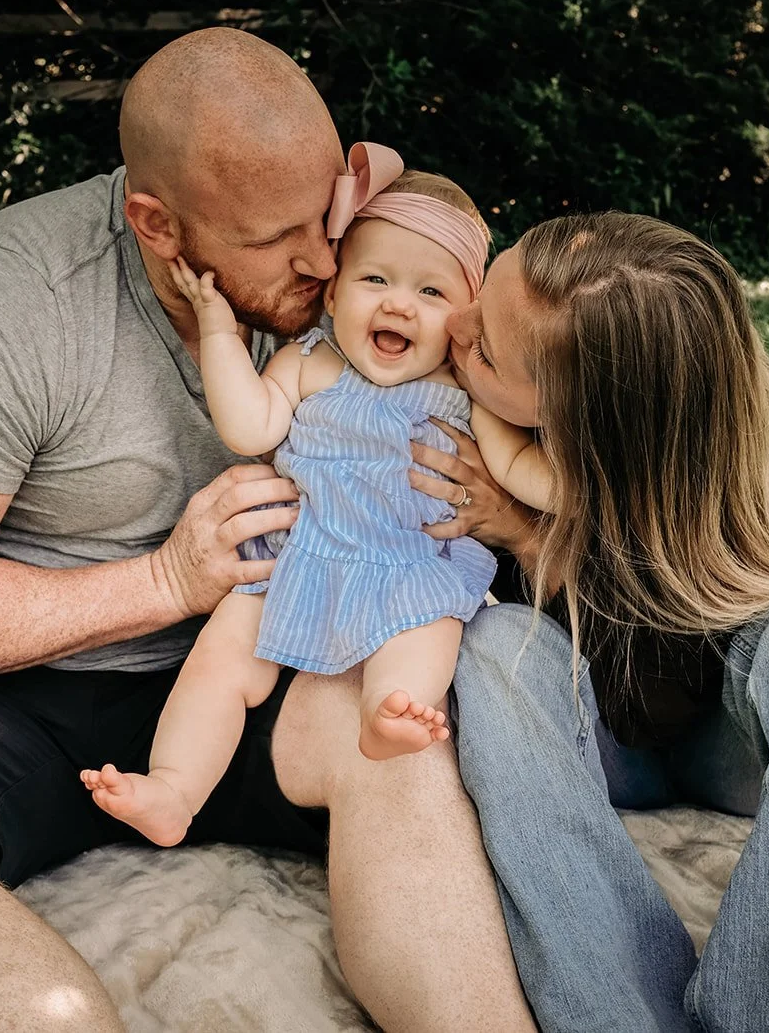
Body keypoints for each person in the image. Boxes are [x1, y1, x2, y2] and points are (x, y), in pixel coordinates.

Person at [0, 28, 535, 1033]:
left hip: (289, 641)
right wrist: (167, 582)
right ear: (158, 226)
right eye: (272, 238)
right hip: (24, 691)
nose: (322, 260)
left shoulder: (361, 250)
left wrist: (503, 510)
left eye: (327, 216)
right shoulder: (6, 301)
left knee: (401, 745)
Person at [418, 211, 769, 1032]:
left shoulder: (752, 460)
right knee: (491, 647)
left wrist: (529, 536)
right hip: (591, 734)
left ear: (587, 420)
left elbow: (659, 684)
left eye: (483, 346)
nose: (452, 324)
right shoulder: (466, 417)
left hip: (723, 729)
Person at [84, 147, 555, 846]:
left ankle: (387, 714)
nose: (399, 301)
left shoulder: (465, 394)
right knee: (219, 661)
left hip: (409, 566)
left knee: (427, 634)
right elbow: (250, 424)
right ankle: (174, 787)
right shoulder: (310, 360)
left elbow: (525, 470)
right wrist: (220, 333)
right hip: (295, 558)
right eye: (374, 278)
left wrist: (602, 475)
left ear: (465, 317)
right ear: (333, 295)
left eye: (431, 293)